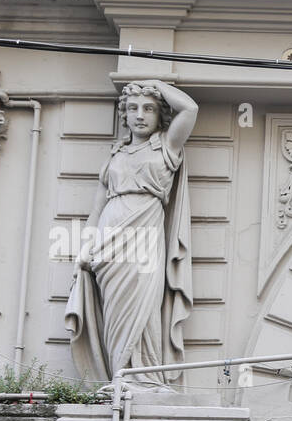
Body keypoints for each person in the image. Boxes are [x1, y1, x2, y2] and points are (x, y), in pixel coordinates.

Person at [65, 80, 198, 389]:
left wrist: (156, 84)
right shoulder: (116, 156)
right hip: (110, 236)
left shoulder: (167, 146)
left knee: (144, 306)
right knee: (114, 311)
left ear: (159, 115)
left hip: (145, 233)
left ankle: (144, 377)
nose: (140, 115)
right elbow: (96, 210)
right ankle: (118, 374)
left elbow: (190, 108)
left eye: (148, 109)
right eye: (133, 108)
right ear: (124, 114)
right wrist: (85, 248)